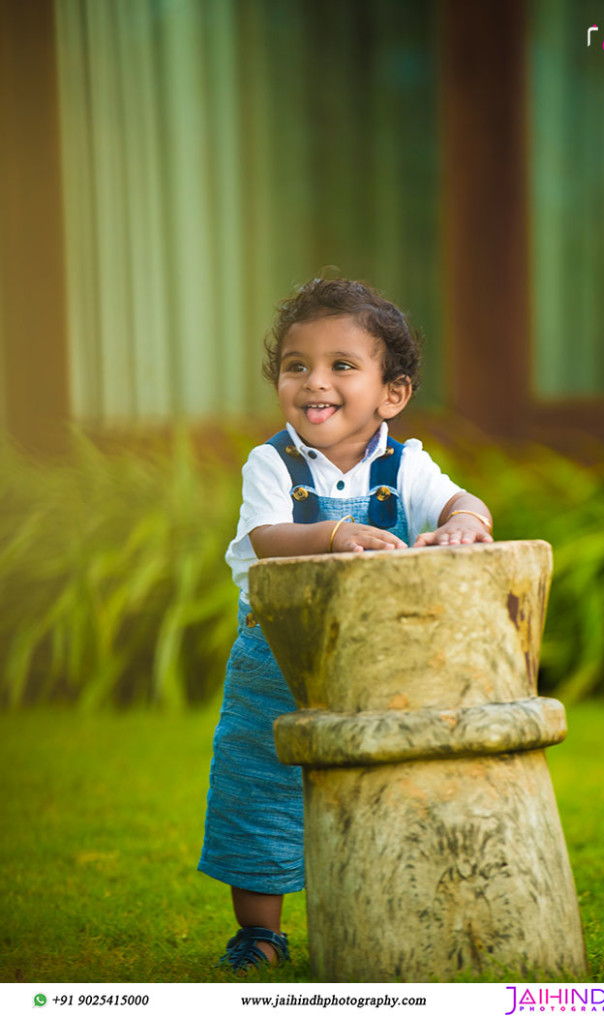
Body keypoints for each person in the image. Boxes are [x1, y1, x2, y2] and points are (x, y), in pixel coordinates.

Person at [198, 277, 493, 971]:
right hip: (275, 657)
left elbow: (461, 498)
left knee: (390, 779)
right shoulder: (271, 463)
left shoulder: (406, 465)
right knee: (258, 780)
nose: (313, 382)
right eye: (295, 365)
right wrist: (335, 533)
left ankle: (399, 905)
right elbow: (267, 536)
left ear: (391, 394)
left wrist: (462, 524)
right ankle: (260, 932)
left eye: (340, 365)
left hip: (379, 662)